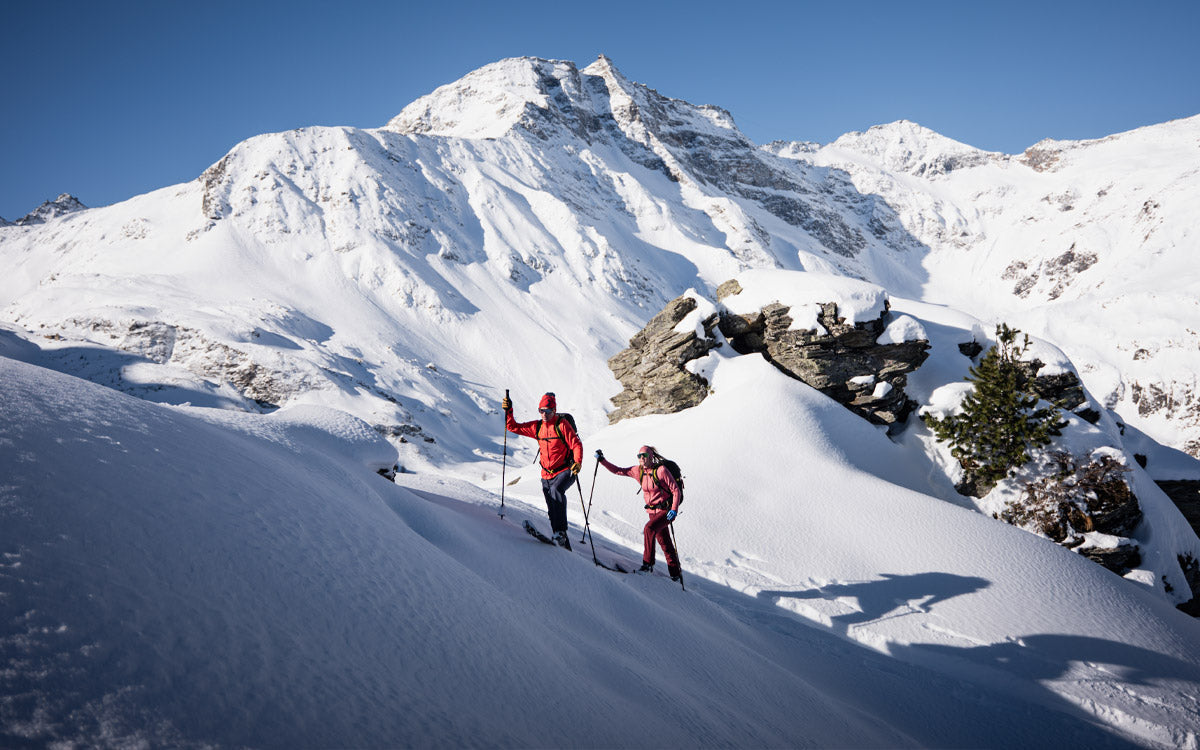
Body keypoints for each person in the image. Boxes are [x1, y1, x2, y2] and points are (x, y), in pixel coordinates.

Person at [503, 392, 583, 549]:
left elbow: (576, 444)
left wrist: (578, 463)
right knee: (552, 506)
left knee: (556, 491)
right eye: (541, 411)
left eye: (547, 411)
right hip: (546, 474)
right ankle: (561, 541)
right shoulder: (537, 427)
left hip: (565, 470)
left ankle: (560, 532)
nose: (544, 414)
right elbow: (512, 427)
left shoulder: (562, 425)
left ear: (554, 410)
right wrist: (509, 410)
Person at [595, 446, 681, 580]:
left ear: (651, 457)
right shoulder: (638, 471)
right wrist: (602, 460)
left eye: (644, 456)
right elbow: (618, 470)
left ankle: (648, 565)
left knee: (649, 529)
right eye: (639, 456)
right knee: (664, 542)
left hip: (666, 511)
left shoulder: (661, 471)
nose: (642, 458)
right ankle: (676, 574)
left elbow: (676, 491)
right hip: (652, 511)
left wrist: (674, 509)